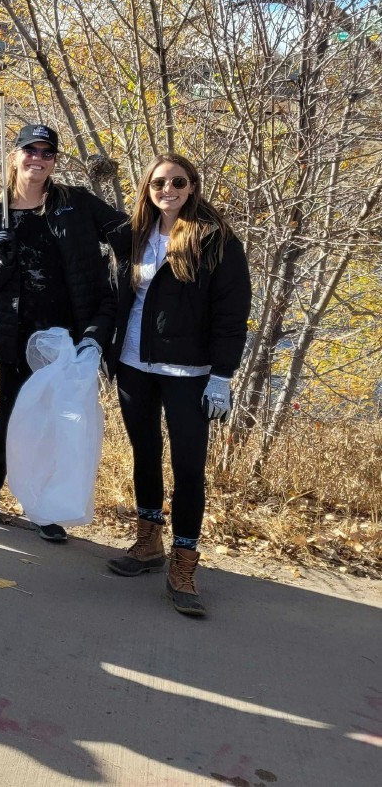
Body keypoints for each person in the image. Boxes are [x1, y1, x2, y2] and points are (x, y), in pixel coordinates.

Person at [0, 123, 129, 540]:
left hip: (67, 334)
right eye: (30, 150)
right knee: (10, 415)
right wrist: (1, 258)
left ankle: (46, 508)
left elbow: (127, 234)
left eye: (47, 153)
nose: (37, 158)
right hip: (15, 333)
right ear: (15, 156)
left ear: (54, 161)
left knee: (57, 422)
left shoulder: (75, 204)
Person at [107, 153, 251, 617]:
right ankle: (148, 542)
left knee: (188, 468)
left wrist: (223, 375)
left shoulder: (217, 242)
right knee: (145, 455)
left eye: (177, 182)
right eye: (158, 182)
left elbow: (232, 317)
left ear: (192, 187)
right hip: (133, 365)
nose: (166, 189)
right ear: (147, 187)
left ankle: (184, 563)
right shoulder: (134, 234)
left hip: (189, 374)